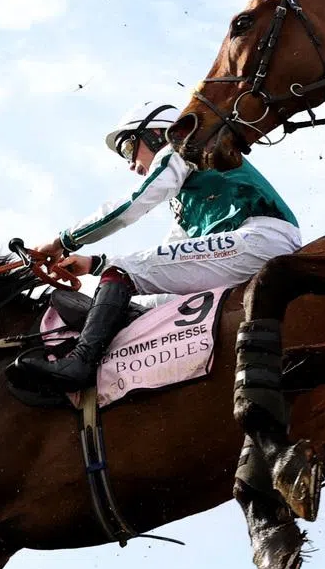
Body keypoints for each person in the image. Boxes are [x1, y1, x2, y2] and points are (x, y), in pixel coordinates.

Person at [20, 101, 302, 392]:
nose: (131, 165)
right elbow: (169, 258)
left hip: (259, 239)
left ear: (157, 133)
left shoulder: (179, 148)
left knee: (124, 269)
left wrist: (62, 241)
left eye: (128, 149)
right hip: (245, 247)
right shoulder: (185, 198)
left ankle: (80, 362)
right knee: (145, 304)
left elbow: (133, 204)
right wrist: (94, 264)